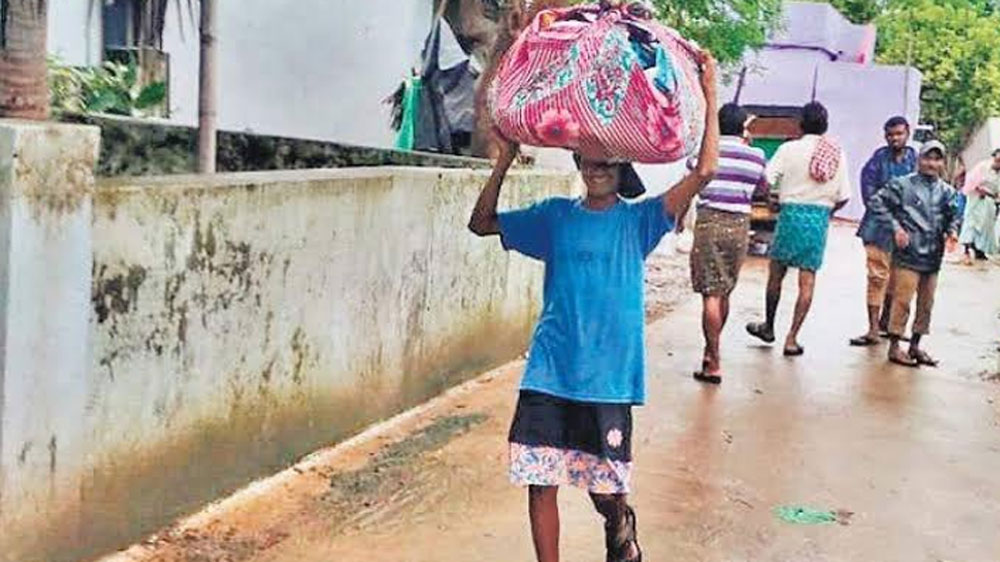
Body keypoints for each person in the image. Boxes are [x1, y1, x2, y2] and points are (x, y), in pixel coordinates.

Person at [467, 53, 720, 562]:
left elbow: (706, 169)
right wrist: (504, 158)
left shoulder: (642, 221)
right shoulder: (554, 217)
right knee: (541, 481)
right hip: (550, 369)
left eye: (607, 161)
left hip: (608, 377)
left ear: (621, 167)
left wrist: (711, 91)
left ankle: (619, 518)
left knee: (603, 490)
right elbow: (482, 222)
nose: (596, 169)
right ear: (579, 165)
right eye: (588, 160)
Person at [745, 102, 851, 356]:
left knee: (776, 275)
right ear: (825, 126)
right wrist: (826, 212)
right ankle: (792, 338)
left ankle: (769, 326)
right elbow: (844, 196)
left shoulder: (789, 149)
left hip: (790, 214)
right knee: (807, 281)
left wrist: (773, 199)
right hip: (818, 218)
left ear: (800, 125)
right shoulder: (836, 153)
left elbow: (767, 180)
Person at [687, 103, 767, 384]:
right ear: (743, 127)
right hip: (739, 227)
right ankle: (713, 351)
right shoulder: (756, 156)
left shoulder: (706, 152)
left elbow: (692, 174)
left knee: (710, 292)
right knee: (725, 292)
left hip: (709, 222)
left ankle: (713, 359)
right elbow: (762, 190)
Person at [870, 140, 960, 367]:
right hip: (908, 255)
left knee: (926, 304)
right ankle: (894, 346)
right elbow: (877, 202)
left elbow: (954, 216)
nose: (931, 163)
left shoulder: (947, 192)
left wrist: (952, 232)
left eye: (936, 159)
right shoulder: (902, 185)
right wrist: (896, 228)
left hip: (932, 256)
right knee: (902, 301)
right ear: (919, 159)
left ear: (942, 163)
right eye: (927, 158)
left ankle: (915, 345)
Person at [850, 116, 918, 347]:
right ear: (885, 136)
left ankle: (889, 325)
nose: (895, 138)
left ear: (908, 133)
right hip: (878, 227)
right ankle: (872, 329)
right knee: (877, 278)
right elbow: (870, 193)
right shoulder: (878, 159)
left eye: (899, 134)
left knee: (899, 281)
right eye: (890, 135)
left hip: (907, 231)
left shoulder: (915, 160)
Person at [958, 148, 1000, 261]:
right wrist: (978, 189)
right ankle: (966, 248)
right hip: (976, 198)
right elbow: (971, 180)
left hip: (990, 201)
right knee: (972, 222)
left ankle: (980, 250)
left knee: (985, 226)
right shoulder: (983, 167)